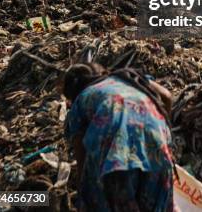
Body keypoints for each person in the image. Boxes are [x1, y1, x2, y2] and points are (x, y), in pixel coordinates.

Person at [63, 63, 176, 212]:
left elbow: (82, 160)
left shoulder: (81, 100)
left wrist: (84, 197)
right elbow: (167, 96)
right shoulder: (128, 78)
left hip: (117, 158)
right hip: (157, 146)